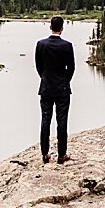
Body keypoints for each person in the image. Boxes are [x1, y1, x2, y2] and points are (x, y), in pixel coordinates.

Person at [35, 16, 75, 164]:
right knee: (62, 120)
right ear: (62, 28)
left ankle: (45, 154)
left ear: (50, 27)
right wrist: (65, 81)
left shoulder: (40, 44)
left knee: (45, 119)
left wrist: (45, 78)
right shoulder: (67, 46)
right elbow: (71, 68)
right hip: (62, 89)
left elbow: (39, 67)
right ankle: (61, 154)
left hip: (45, 88)